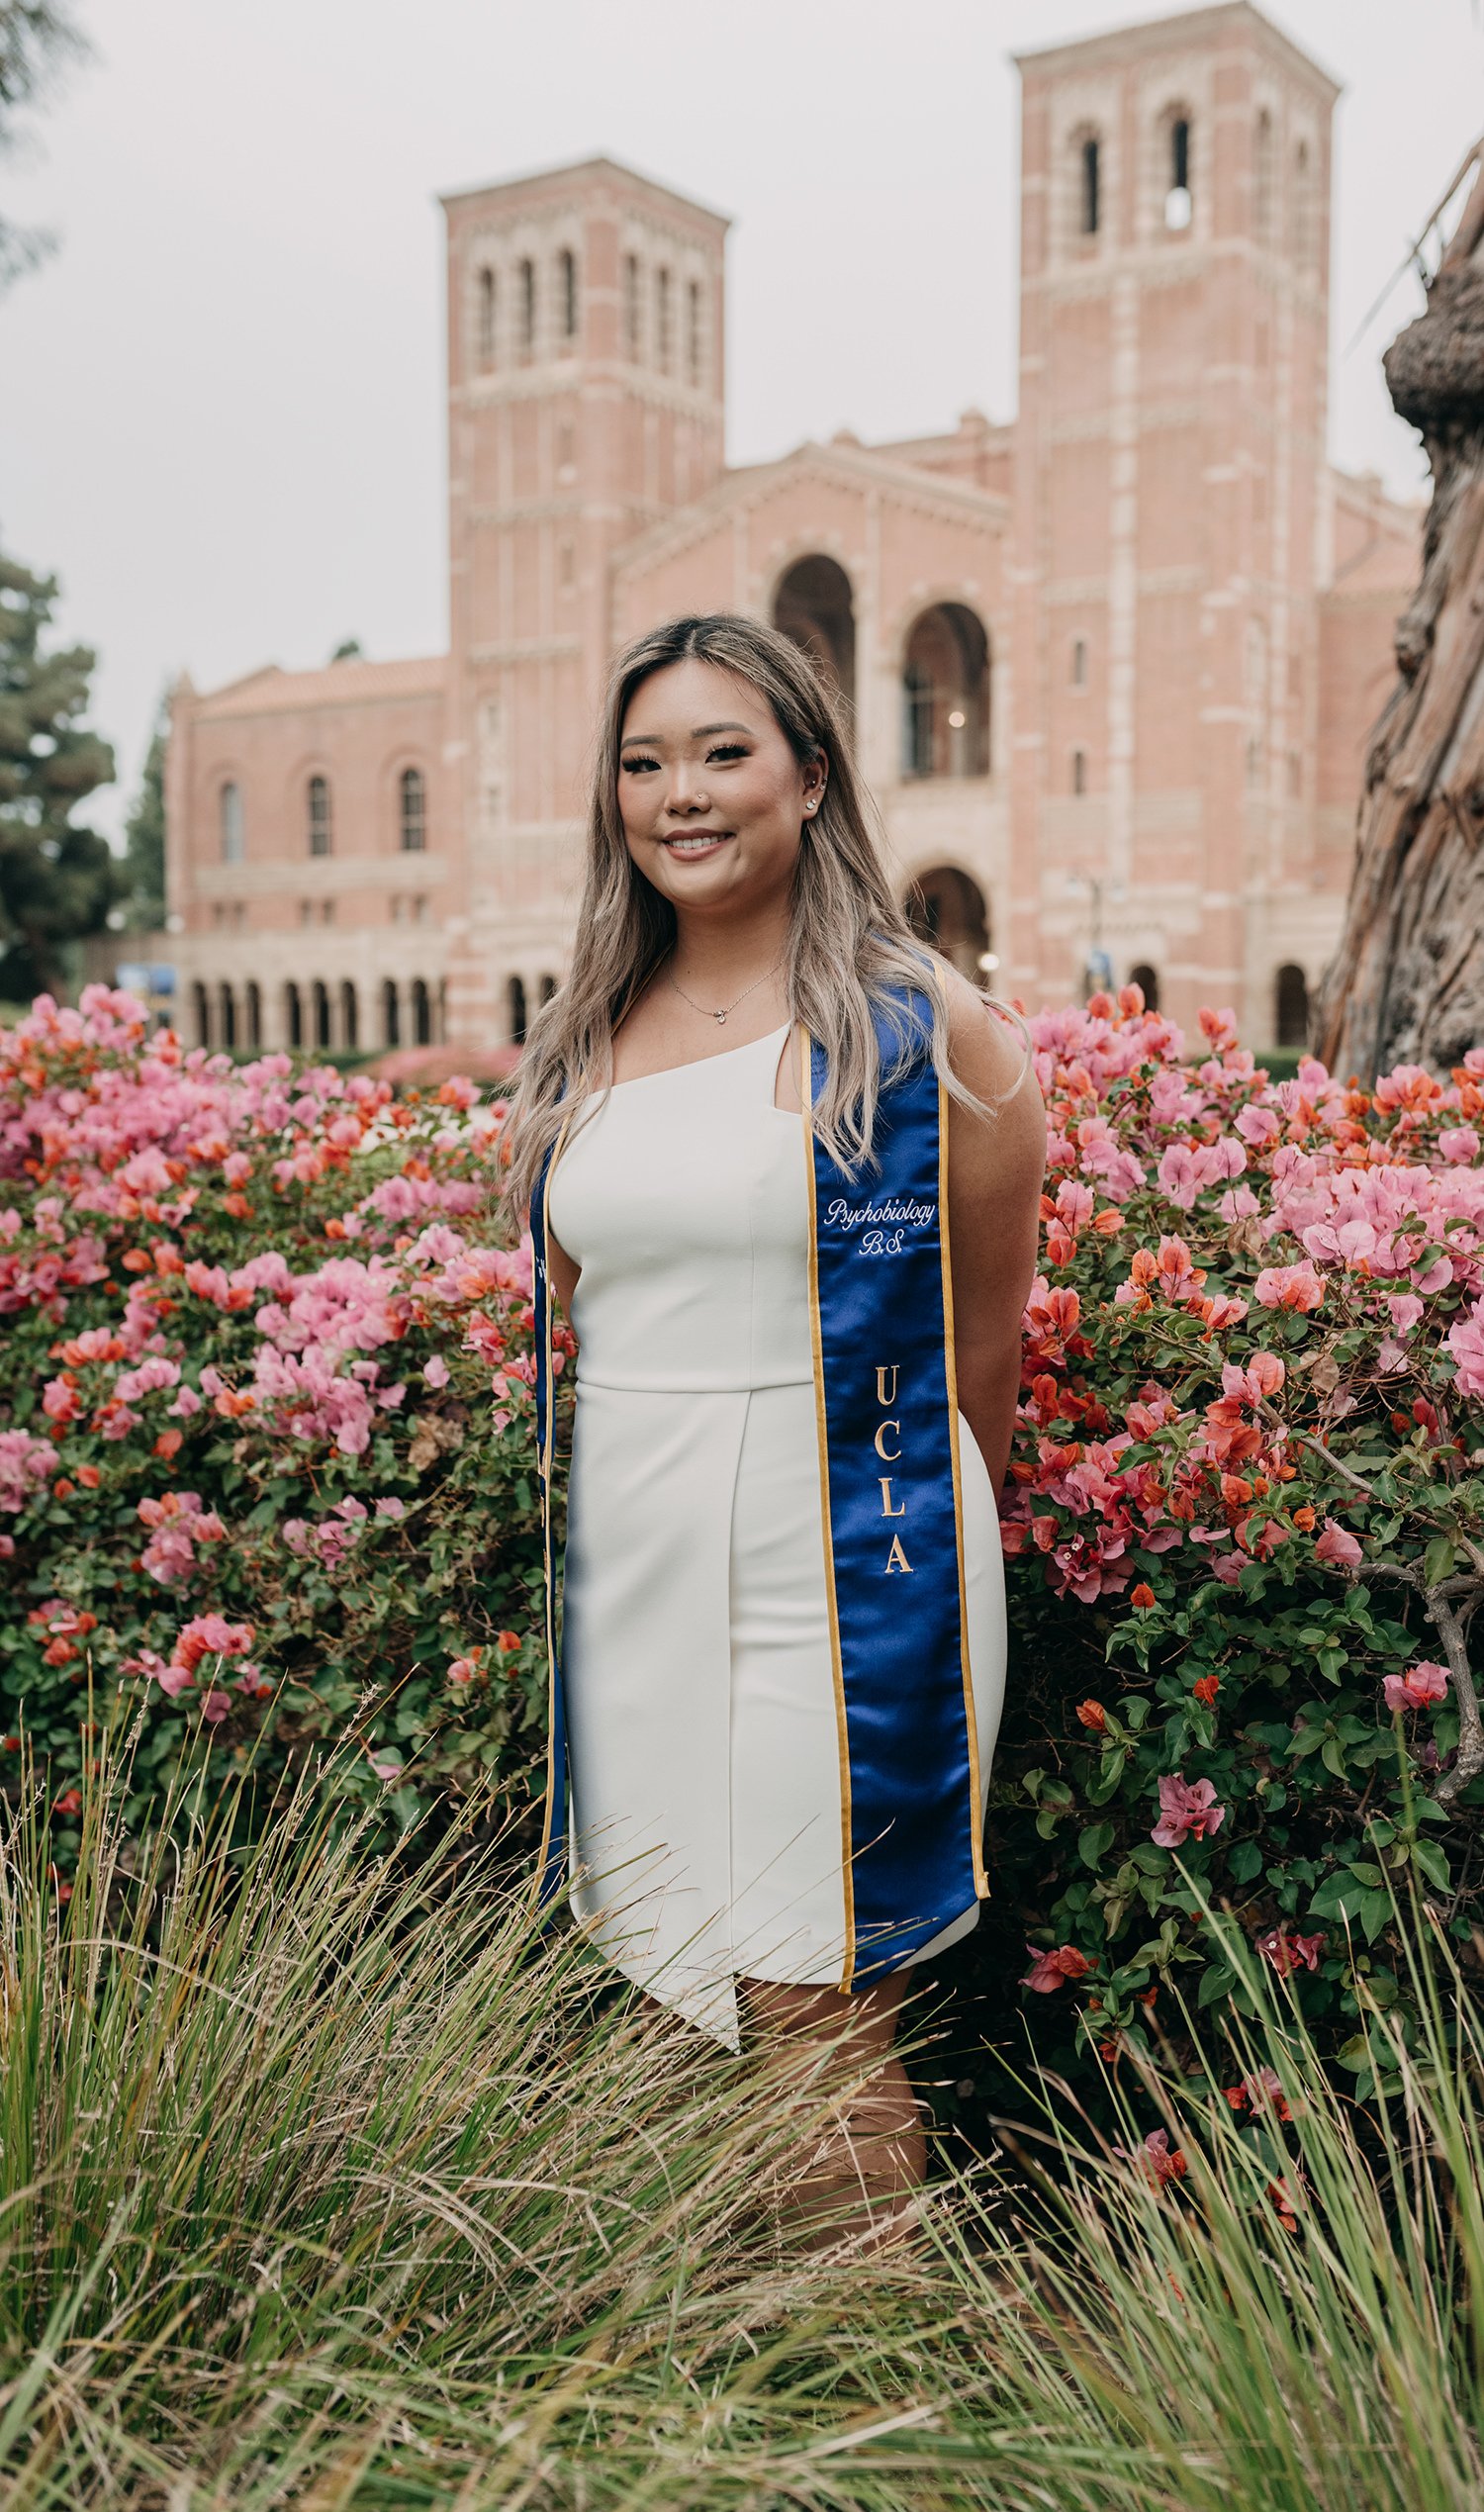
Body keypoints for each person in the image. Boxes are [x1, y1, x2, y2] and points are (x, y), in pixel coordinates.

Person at [505, 612, 1044, 2245]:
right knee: (667, 1984)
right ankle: (705, 2396)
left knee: (815, 1999)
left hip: (847, 1554)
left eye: (723, 752)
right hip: (642, 1559)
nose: (681, 792)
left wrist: (922, 1574)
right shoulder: (582, 1039)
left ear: (811, 776)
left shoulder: (930, 1037)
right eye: (645, 759)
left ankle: (868, 2417)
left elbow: (982, 1353)